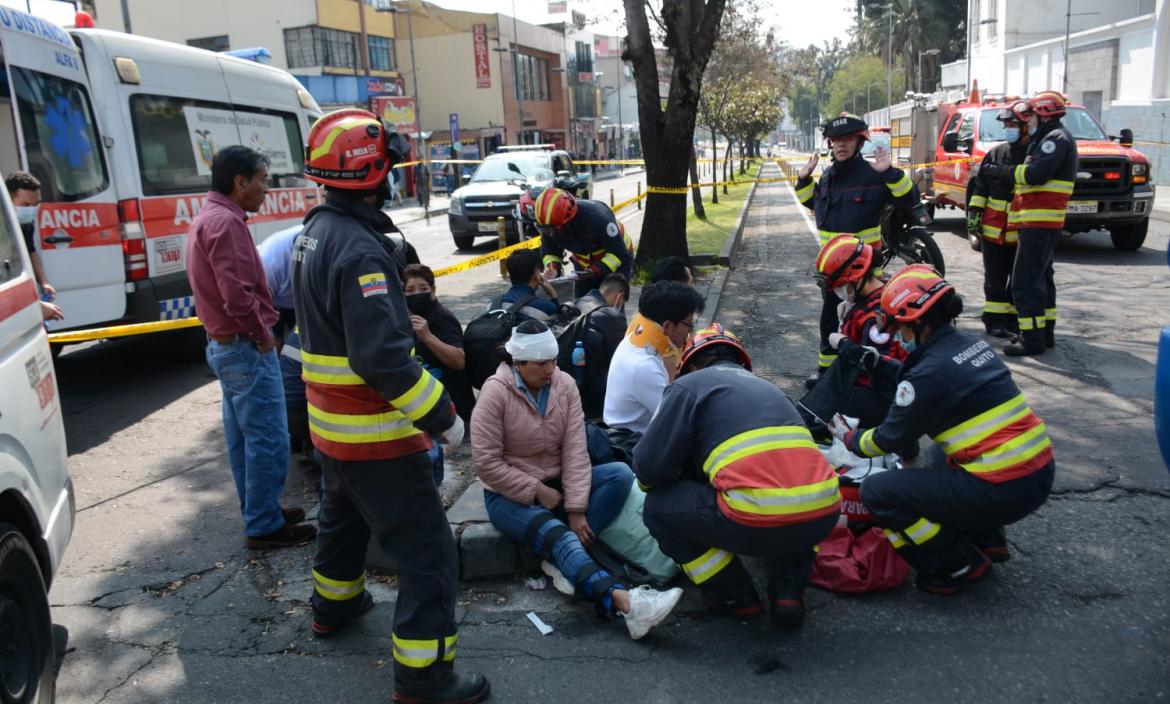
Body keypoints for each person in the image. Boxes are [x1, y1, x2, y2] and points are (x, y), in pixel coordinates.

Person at [295, 109, 488, 703]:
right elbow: (382, 360)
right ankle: (425, 677)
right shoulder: (359, 252)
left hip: (333, 431)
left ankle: (334, 604)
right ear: (373, 173)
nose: (397, 176)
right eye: (391, 168)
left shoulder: (316, 231)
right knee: (429, 553)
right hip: (374, 435)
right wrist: (446, 419)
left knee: (342, 521)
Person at [833, 265, 1055, 594]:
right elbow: (928, 378)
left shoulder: (928, 374)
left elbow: (888, 439)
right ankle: (986, 537)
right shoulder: (968, 345)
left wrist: (848, 437)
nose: (896, 335)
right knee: (940, 453)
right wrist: (878, 363)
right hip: (1036, 471)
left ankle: (957, 562)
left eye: (899, 327)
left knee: (878, 493)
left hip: (1003, 488)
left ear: (918, 323)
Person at [470, 320, 683, 640]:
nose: (550, 370)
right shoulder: (495, 393)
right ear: (519, 362)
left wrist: (576, 508)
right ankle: (628, 605)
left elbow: (575, 450)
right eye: (541, 363)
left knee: (619, 474)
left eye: (553, 361)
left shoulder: (564, 385)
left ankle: (562, 563)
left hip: (558, 484)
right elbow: (486, 463)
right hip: (508, 495)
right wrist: (536, 490)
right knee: (559, 535)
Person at [634, 324, 840, 628]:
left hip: (756, 517)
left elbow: (648, 469)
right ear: (740, 361)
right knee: (789, 500)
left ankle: (735, 597)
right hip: (823, 512)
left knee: (657, 507)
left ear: (690, 363)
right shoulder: (771, 391)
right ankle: (788, 591)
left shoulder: (689, 385)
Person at [185, 146, 314, 549]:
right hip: (242, 347)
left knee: (245, 438)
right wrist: (262, 335)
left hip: (227, 346)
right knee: (269, 438)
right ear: (240, 181)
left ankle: (261, 511)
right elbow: (237, 296)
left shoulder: (211, 217)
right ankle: (263, 524)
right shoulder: (225, 223)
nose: (267, 188)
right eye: (262, 179)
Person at [794, 113, 921, 382]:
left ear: (859, 142)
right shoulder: (828, 176)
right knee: (830, 321)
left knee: (866, 321)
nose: (841, 145)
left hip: (864, 269)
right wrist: (804, 181)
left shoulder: (872, 175)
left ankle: (867, 375)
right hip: (833, 270)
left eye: (848, 139)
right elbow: (816, 207)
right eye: (836, 140)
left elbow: (909, 199)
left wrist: (889, 173)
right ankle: (828, 374)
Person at [979, 91, 1078, 356]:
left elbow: (1035, 174)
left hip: (1040, 221)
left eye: (1031, 114)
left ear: (1043, 114)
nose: (1028, 120)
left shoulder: (1054, 139)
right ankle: (1044, 334)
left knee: (1025, 281)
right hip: (1037, 222)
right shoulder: (1050, 138)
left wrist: (1004, 172)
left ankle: (1031, 340)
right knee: (1041, 277)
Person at [810, 234, 907, 429]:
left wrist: (844, 342)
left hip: (882, 394)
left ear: (857, 277)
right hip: (884, 390)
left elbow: (872, 363)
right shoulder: (875, 294)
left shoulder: (876, 315)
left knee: (818, 420)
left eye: (839, 286)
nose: (837, 291)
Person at [603, 281, 705, 434]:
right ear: (667, 326)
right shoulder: (643, 366)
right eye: (689, 324)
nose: (690, 331)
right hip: (630, 444)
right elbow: (678, 418)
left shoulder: (637, 338)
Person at [967, 101, 1032, 339]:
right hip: (994, 229)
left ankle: (1014, 321)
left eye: (1013, 124)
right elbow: (981, 186)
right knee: (994, 278)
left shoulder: (1033, 155)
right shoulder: (995, 153)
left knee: (1018, 281)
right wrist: (974, 213)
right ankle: (994, 321)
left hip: (1021, 232)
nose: (1008, 129)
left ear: (1025, 126)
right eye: (1006, 125)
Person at [403, 263, 476, 427]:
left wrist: (427, 336)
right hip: (427, 409)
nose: (417, 294)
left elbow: (459, 361)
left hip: (453, 412)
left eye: (423, 289)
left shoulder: (442, 318)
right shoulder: (406, 319)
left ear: (433, 290)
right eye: (410, 290)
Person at [535, 187, 635, 298]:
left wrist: (594, 271)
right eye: (546, 230)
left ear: (569, 220)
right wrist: (552, 267)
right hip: (584, 266)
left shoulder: (598, 218)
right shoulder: (550, 225)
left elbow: (618, 254)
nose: (551, 234)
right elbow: (550, 251)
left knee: (611, 305)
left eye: (555, 230)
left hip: (618, 259)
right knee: (581, 303)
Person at [565, 273, 629, 420]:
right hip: (595, 395)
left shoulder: (576, 303)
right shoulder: (613, 318)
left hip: (570, 383)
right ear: (620, 297)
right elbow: (619, 361)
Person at [6, 172, 56, 303]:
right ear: (8, 199)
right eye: (26, 205)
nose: (32, 209)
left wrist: (44, 282)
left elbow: (30, 251)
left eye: (36, 204)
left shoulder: (26, 224)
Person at [498, 249, 560, 323]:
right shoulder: (545, 307)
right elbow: (559, 324)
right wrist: (553, 294)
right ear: (536, 275)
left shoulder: (495, 303)